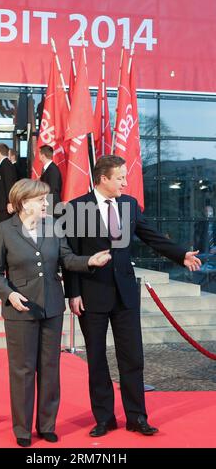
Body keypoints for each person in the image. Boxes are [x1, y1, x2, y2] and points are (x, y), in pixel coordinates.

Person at [64, 155, 201, 437]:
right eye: (120, 178)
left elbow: (151, 236)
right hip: (92, 295)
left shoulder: (128, 205)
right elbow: (71, 256)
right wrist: (73, 294)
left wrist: (180, 255)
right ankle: (104, 418)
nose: (126, 183)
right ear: (103, 179)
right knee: (97, 359)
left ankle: (137, 417)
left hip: (126, 293)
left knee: (133, 358)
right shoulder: (77, 208)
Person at [0, 178, 111, 447]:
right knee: (23, 370)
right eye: (41, 200)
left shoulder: (53, 226)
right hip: (20, 309)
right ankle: (22, 429)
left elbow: (66, 258)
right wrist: (9, 294)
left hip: (52, 306)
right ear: (24, 202)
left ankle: (46, 425)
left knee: (50, 368)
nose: (46, 203)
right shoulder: (4, 230)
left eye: (46, 199)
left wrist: (89, 260)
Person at [39, 145, 62, 216]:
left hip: (52, 208)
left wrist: (47, 209)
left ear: (43, 156)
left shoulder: (52, 170)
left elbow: (52, 190)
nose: (38, 156)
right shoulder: (48, 168)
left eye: (39, 154)